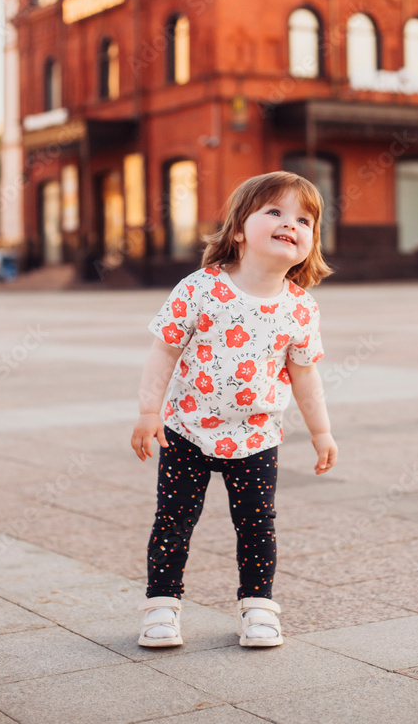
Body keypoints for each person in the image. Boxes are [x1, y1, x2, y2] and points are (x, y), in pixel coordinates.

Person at [131, 171, 337, 649]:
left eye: (304, 220)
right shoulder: (200, 288)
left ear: (311, 241)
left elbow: (305, 374)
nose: (291, 223)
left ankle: (258, 607)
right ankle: (161, 605)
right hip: (187, 430)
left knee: (257, 524)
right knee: (174, 519)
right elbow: (163, 352)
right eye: (275, 212)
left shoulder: (301, 309)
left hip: (257, 438)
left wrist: (322, 432)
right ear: (239, 230)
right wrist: (148, 412)